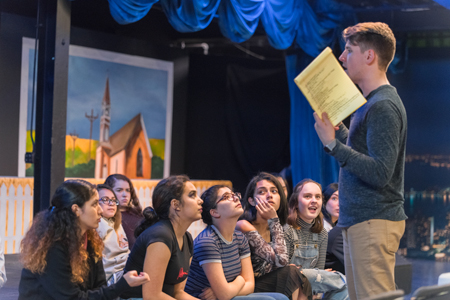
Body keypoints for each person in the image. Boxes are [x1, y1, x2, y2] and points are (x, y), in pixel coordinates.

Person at [313, 22, 407, 299]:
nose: (342, 57)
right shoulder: (372, 103)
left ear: (369, 57)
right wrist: (338, 131)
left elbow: (380, 172)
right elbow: (362, 152)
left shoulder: (383, 105)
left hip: (373, 221)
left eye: (349, 50)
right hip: (363, 221)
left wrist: (332, 144)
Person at [18, 179, 149, 300]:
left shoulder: (91, 239)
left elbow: (99, 286)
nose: (99, 210)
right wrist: (122, 285)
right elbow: (72, 298)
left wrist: (122, 285)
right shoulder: (54, 247)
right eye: (94, 204)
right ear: (76, 210)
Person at [185, 184, 288, 300]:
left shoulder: (240, 237)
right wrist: (240, 280)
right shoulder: (208, 241)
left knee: (281, 298)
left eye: (234, 195)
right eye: (226, 197)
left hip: (226, 295)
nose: (235, 198)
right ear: (214, 212)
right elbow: (224, 295)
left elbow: (250, 285)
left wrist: (228, 289)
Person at [121, 175, 202, 300]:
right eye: (192, 195)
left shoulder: (187, 238)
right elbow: (152, 296)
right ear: (176, 204)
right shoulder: (161, 236)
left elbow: (178, 293)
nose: (200, 200)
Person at [236, 172, 311, 300]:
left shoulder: (274, 226)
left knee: (303, 277)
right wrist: (273, 221)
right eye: (262, 192)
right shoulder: (244, 225)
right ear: (252, 200)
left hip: (265, 282)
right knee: (291, 273)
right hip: (245, 287)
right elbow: (281, 261)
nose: (269, 195)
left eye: (274, 191)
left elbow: (278, 263)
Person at [284, 179, 348, 300]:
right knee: (344, 281)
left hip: (312, 286)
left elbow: (320, 272)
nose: (314, 200)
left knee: (347, 288)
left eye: (317, 197)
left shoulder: (322, 234)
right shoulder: (287, 230)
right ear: (296, 202)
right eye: (308, 196)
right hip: (291, 288)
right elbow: (285, 273)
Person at [96, 184, 130, 285]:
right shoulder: (98, 223)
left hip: (126, 268)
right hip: (111, 276)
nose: (111, 204)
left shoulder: (116, 222)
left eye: (113, 200)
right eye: (105, 199)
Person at [105, 174, 144, 250]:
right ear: (109, 192)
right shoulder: (105, 217)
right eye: (119, 190)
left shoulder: (138, 216)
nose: (125, 195)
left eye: (127, 190)